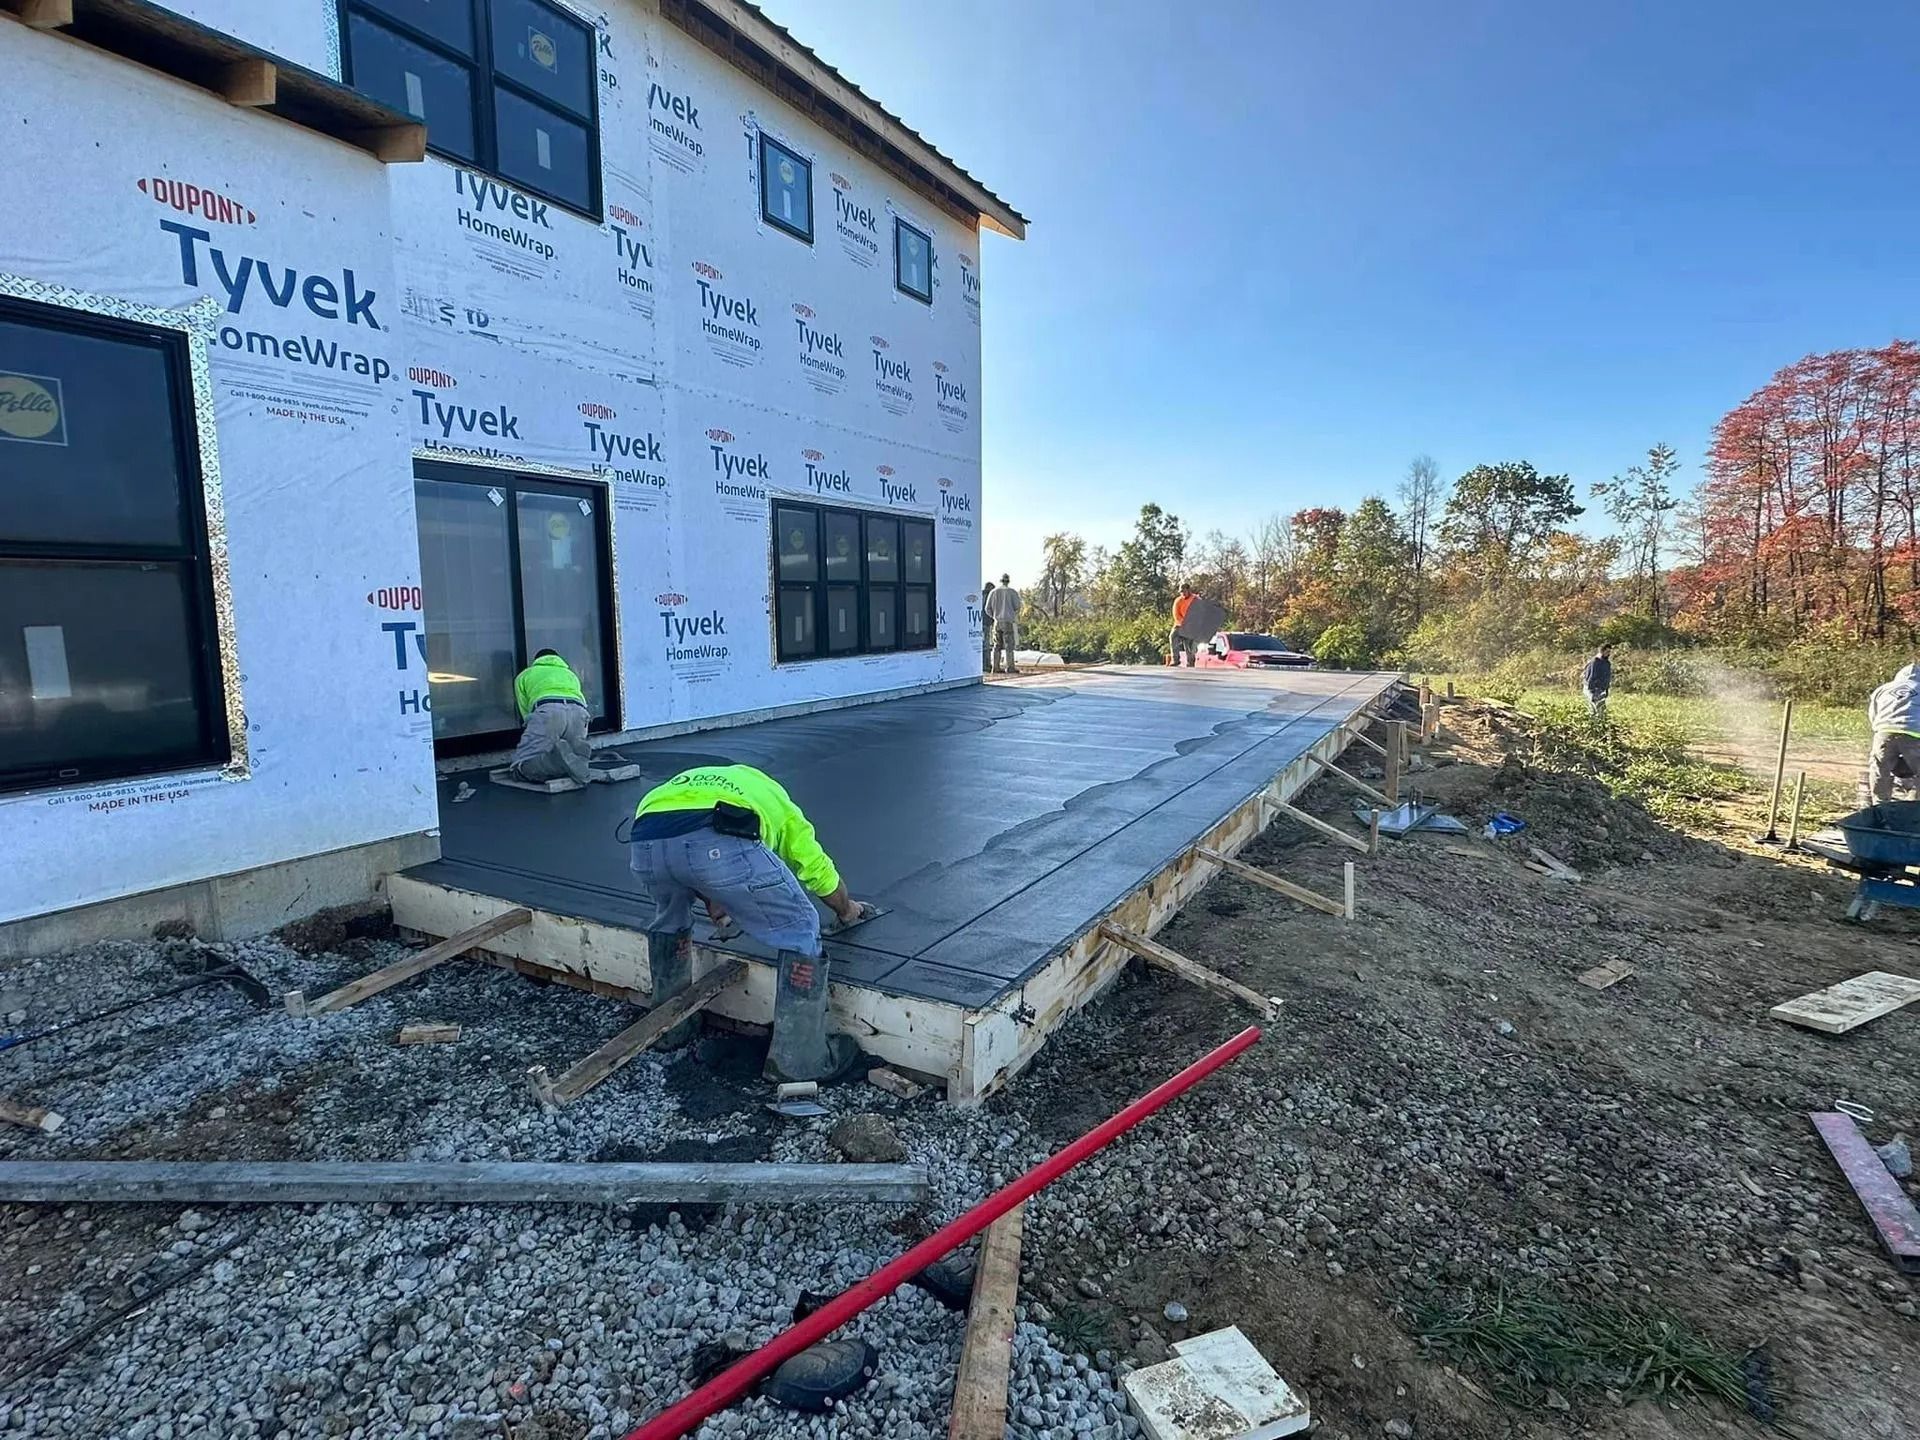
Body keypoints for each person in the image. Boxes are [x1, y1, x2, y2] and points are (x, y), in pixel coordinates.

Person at [629, 763, 872, 1080]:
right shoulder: (775, 800)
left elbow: (681, 857)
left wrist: (717, 898)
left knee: (670, 918)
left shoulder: (690, 784)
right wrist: (846, 910)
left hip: (645, 840)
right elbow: (815, 869)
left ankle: (671, 1030)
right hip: (715, 838)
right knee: (800, 926)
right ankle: (798, 1060)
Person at [509, 649, 592, 785]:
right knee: (569, 756)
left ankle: (554, 762)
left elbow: (526, 711)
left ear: (536, 661)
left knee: (520, 768)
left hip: (549, 711)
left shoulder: (526, 675)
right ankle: (578, 755)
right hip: (579, 713)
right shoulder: (570, 674)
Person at [1866, 663, 1920, 803]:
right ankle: (1916, 805)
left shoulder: (1883, 689)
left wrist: (1880, 730)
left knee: (1880, 770)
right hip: (1915, 734)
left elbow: (1873, 714)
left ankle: (1879, 806)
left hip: (1885, 731)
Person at [984, 572, 1021, 675]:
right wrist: (1011, 614)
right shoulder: (1012, 592)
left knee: (996, 645)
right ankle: (1010, 667)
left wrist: (994, 616)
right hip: (1008, 621)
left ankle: (995, 667)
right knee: (1009, 645)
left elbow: (987, 608)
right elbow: (1017, 606)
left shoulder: (993, 592)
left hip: (997, 621)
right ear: (1008, 581)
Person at [1169, 583, 1198, 667]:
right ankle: (1175, 659)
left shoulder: (1196, 599)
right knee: (1173, 636)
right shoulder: (1178, 600)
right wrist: (1183, 624)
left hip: (1192, 625)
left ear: (1189, 590)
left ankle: (1190, 661)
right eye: (1181, 592)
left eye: (1184, 591)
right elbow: (1176, 614)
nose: (1183, 593)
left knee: (1188, 643)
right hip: (1180, 624)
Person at [1581, 643, 1613, 718]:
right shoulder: (1595, 662)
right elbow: (1591, 677)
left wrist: (1606, 689)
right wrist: (1592, 692)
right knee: (1594, 711)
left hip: (1601, 689)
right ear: (1602, 651)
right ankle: (1593, 727)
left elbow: (1607, 678)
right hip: (1592, 689)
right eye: (1607, 652)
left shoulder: (1607, 663)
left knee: (1602, 711)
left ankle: (1601, 726)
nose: (1609, 654)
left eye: (1609, 652)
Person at [980, 579, 996, 672]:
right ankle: (986, 665)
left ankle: (986, 664)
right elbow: (988, 609)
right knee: (986, 644)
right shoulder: (988, 596)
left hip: (980, 622)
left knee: (984, 644)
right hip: (986, 623)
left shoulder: (981, 595)